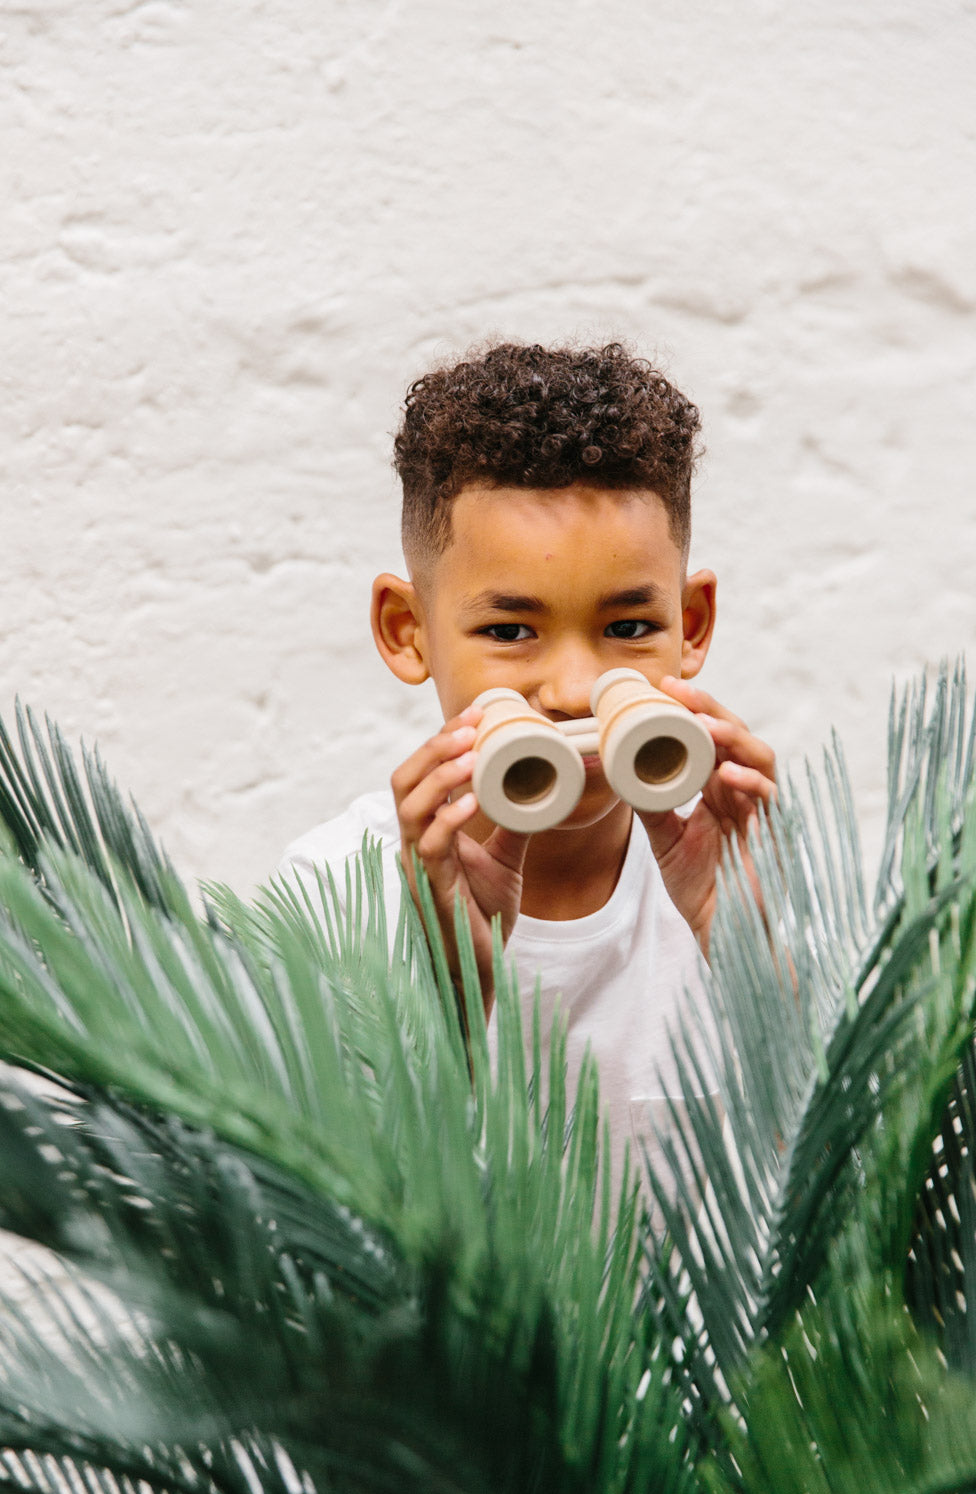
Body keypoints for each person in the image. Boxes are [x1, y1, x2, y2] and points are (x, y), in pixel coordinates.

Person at [277, 341, 775, 1168]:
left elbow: (873, 1232)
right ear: (409, 632)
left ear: (691, 626)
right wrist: (448, 1010)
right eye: (510, 632)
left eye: (628, 630)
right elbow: (303, 1245)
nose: (576, 690)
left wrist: (757, 962)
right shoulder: (329, 895)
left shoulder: (765, 887)